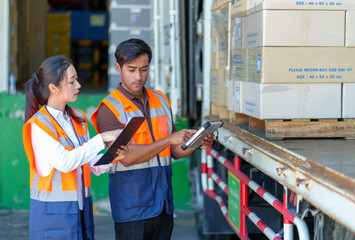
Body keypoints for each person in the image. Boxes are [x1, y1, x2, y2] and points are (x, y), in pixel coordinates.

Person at [91, 38, 215, 240]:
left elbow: (174, 152)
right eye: (131, 69)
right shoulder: (109, 109)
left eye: (144, 69)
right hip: (132, 208)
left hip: (163, 205)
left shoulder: (160, 99)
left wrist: (196, 143)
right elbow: (126, 158)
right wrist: (168, 140)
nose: (139, 76)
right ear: (118, 68)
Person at [22, 56, 128, 240]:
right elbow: (65, 162)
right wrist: (101, 139)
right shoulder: (39, 125)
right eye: (72, 81)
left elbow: (87, 163)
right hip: (52, 216)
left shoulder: (77, 118)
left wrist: (113, 156)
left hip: (81, 210)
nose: (78, 85)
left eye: (76, 79)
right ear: (53, 88)